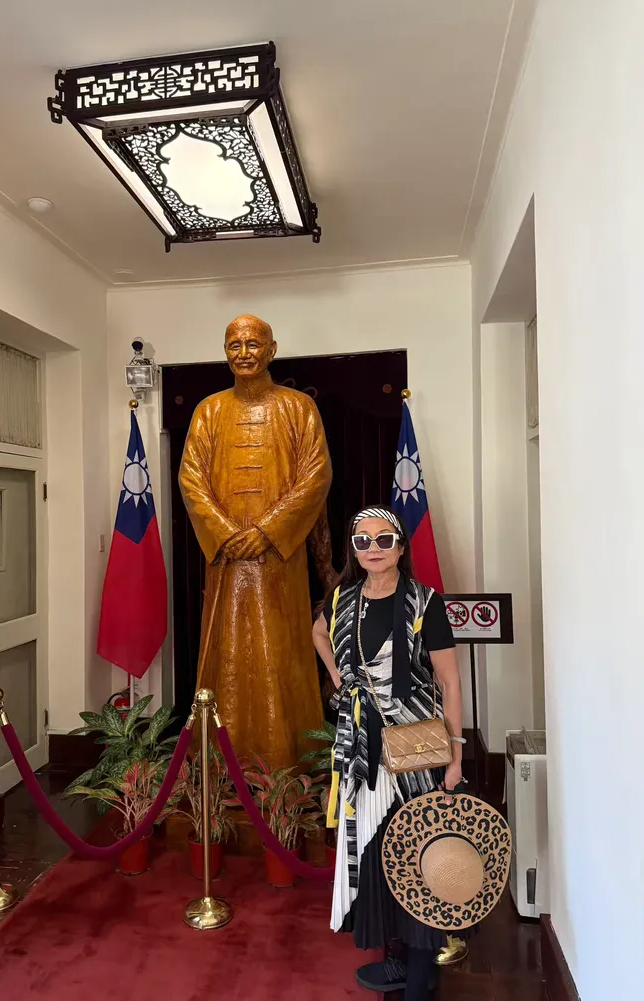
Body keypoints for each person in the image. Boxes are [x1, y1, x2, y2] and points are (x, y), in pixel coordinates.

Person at [312, 505, 466, 999]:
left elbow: (450, 682)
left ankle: (420, 976)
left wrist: (456, 756)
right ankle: (397, 960)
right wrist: (340, 678)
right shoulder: (343, 598)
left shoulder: (425, 602)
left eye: (384, 539)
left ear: (400, 546)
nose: (374, 548)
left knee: (418, 856)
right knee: (378, 854)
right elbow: (318, 632)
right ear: (354, 551)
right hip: (363, 746)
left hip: (417, 747)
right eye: (363, 541)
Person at [179, 314, 332, 768]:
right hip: (226, 561)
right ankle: (220, 764)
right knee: (226, 655)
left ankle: (289, 765)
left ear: (271, 350)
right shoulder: (208, 411)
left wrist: (267, 531)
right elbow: (191, 479)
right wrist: (226, 533)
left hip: (280, 563)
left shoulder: (298, 407)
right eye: (234, 345)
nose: (243, 353)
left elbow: (316, 475)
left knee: (281, 658)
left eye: (252, 344)